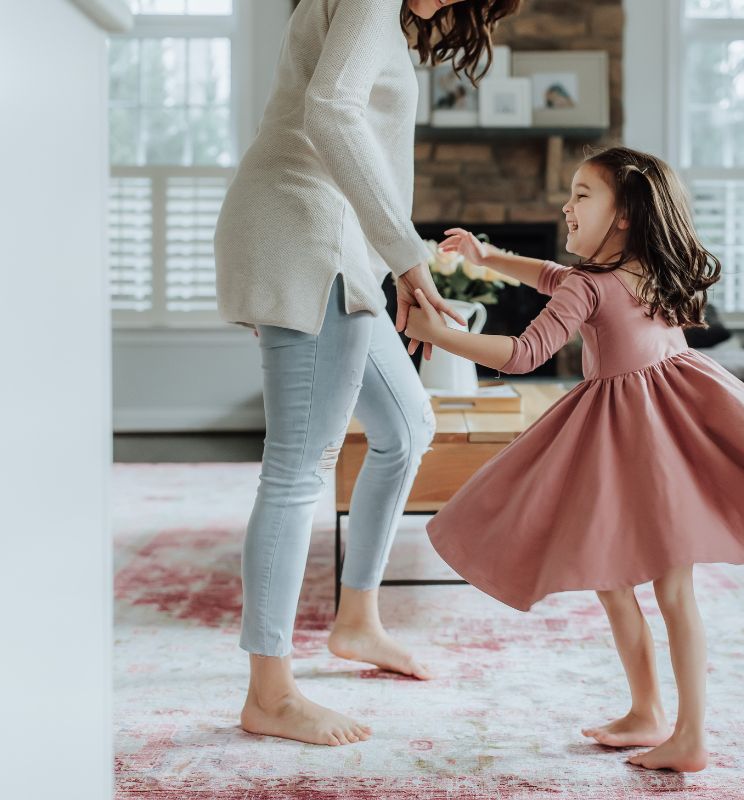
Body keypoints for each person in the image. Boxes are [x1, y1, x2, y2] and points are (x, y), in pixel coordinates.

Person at [404, 146, 744, 773]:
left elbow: (522, 354)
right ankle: (649, 713)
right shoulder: (647, 269)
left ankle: (689, 736)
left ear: (623, 212)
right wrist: (488, 258)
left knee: (657, 585)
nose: (566, 207)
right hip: (667, 429)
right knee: (621, 578)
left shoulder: (592, 286)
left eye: (581, 195)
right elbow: (555, 276)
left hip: (634, 437)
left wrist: (439, 335)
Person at [212, 0, 521, 747]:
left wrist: (394, 269)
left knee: (409, 426)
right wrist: (412, 260)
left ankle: (357, 621)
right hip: (304, 234)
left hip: (338, 248)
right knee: (297, 469)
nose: (450, 5)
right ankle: (271, 692)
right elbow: (331, 112)